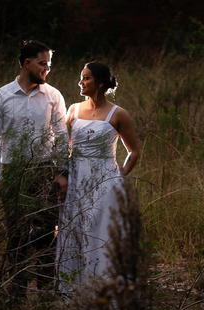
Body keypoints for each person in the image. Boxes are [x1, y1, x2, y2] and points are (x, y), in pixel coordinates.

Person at [0, 40, 70, 298]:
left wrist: (62, 172)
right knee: (17, 233)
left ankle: (45, 291)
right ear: (27, 63)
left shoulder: (53, 95)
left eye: (49, 65)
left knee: (47, 232)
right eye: (43, 64)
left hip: (45, 171)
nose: (47, 69)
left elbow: (61, 136)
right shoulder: (1, 96)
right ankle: (18, 290)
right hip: (14, 171)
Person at [55, 61, 142, 291]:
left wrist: (119, 176)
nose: (81, 82)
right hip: (76, 180)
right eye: (81, 77)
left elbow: (134, 151)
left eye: (86, 78)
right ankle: (72, 292)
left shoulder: (118, 114)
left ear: (100, 83)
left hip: (105, 182)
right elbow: (63, 146)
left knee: (100, 232)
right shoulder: (73, 110)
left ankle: (102, 291)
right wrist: (61, 174)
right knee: (74, 230)